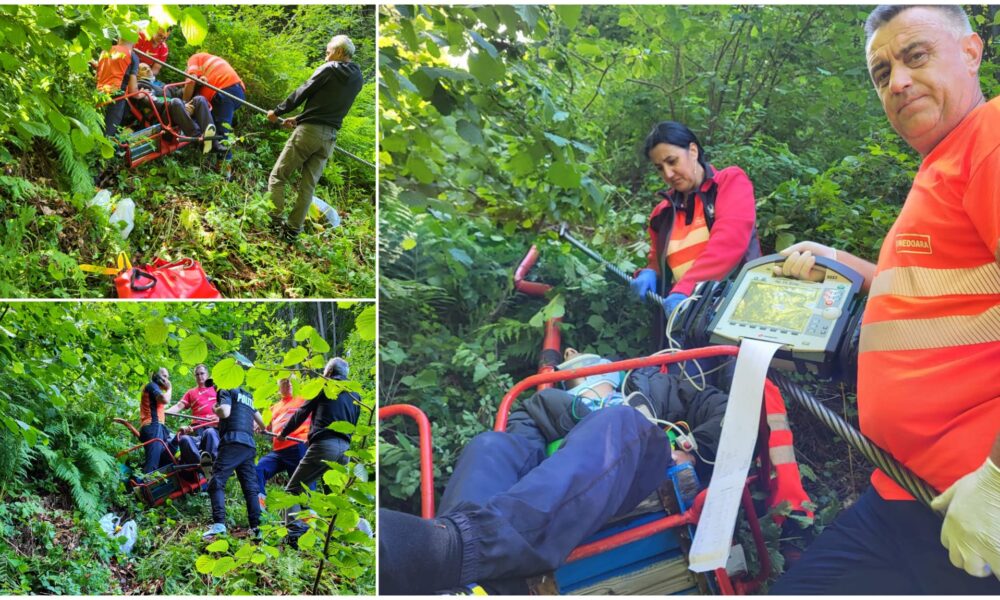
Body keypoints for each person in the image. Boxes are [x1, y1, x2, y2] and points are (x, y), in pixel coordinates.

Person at [770, 5, 1000, 594]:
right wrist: (843, 264)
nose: (897, 80)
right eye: (881, 72)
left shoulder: (991, 138)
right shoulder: (942, 165)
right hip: (901, 492)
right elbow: (941, 295)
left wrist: (997, 483)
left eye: (915, 55)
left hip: (971, 509)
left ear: (971, 52)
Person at [378, 347, 730, 594]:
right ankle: (476, 584)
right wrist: (578, 412)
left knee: (621, 422)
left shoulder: (657, 385)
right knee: (491, 444)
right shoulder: (552, 403)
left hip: (646, 469)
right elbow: (519, 438)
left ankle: (448, 549)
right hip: (561, 498)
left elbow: (722, 410)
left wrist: (695, 450)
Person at [630, 121, 761, 350]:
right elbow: (658, 260)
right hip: (685, 324)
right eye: (660, 168)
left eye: (672, 161)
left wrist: (686, 289)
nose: (668, 174)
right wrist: (650, 272)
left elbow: (729, 244)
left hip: (738, 316)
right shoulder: (662, 213)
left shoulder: (728, 183)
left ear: (693, 150)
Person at [266, 35, 363, 240]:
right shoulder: (357, 78)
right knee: (307, 186)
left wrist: (277, 112)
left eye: (328, 52)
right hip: (329, 138)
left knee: (278, 176)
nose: (325, 56)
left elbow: (302, 91)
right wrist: (301, 117)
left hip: (308, 133)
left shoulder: (329, 69)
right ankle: (292, 231)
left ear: (338, 52)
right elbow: (332, 105)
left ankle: (273, 221)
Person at [279, 357, 360, 540]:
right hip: (345, 450)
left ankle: (294, 532)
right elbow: (352, 425)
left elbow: (302, 412)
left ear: (329, 372)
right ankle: (337, 538)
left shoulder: (324, 385)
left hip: (325, 445)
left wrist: (284, 432)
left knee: (292, 490)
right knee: (334, 497)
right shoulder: (355, 394)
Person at [203, 384, 266, 539]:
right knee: (250, 488)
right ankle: (257, 529)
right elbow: (262, 423)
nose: (215, 386)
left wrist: (214, 409)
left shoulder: (226, 389)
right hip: (249, 445)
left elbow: (225, 412)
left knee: (216, 481)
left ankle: (219, 525)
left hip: (232, 441)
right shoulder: (248, 397)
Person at [183, 52, 246, 176]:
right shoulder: (205, 69)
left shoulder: (194, 59)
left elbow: (190, 81)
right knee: (218, 127)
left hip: (224, 90)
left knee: (222, 132)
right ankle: (219, 166)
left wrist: (183, 103)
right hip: (237, 90)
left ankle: (225, 174)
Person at [255, 378, 312, 508]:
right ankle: (260, 507)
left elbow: (318, 417)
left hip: (298, 447)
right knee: (259, 469)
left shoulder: (304, 400)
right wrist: (257, 427)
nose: (289, 384)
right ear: (279, 387)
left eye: (291, 381)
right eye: (285, 382)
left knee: (303, 485)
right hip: (279, 452)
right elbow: (262, 425)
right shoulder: (274, 407)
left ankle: (309, 521)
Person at [166, 364, 221, 472]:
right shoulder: (191, 392)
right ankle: (203, 468)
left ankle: (214, 466)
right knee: (184, 439)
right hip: (198, 428)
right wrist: (164, 413)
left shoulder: (217, 389)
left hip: (214, 427)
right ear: (194, 377)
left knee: (210, 433)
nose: (200, 376)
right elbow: (178, 406)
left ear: (207, 374)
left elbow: (228, 407)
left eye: (202, 373)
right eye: (197, 374)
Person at [96, 37, 139, 138]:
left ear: (119, 37)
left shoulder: (106, 50)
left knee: (96, 127)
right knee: (108, 134)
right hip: (116, 97)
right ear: (135, 39)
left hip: (99, 94)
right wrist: (140, 93)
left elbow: (97, 76)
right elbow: (133, 90)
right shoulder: (132, 56)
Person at [138, 368, 173, 473]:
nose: (166, 380)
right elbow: (164, 399)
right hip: (153, 426)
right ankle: (143, 486)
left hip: (155, 427)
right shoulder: (152, 386)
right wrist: (169, 389)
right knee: (152, 463)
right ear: (156, 376)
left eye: (167, 377)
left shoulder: (154, 388)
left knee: (161, 455)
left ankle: (140, 477)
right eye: (164, 376)